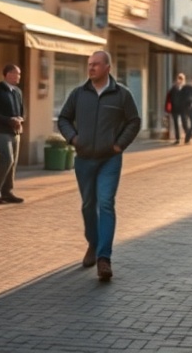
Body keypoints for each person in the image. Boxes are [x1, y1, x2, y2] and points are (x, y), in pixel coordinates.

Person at [58, 50, 141, 281]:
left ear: (107, 67)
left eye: (95, 64)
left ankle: (104, 258)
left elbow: (134, 121)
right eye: (89, 64)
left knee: (105, 203)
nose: (91, 68)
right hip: (84, 159)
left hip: (109, 160)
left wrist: (119, 145)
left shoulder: (122, 95)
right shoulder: (78, 94)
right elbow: (64, 118)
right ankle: (93, 244)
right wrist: (73, 139)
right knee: (88, 205)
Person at [0, 63, 25, 204]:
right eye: (17, 73)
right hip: (1, 131)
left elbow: (20, 110)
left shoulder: (18, 91)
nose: (19, 76)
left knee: (13, 163)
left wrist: (20, 119)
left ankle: (7, 192)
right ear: (8, 74)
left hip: (15, 131)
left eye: (19, 74)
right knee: (6, 159)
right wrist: (8, 120)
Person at [165, 73, 192, 145]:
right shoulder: (173, 88)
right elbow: (169, 98)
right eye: (178, 79)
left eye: (181, 79)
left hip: (184, 109)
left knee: (184, 123)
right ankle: (177, 139)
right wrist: (168, 107)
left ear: (184, 80)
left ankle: (188, 137)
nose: (179, 81)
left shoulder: (187, 88)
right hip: (175, 108)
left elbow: (190, 98)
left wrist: (189, 106)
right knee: (175, 124)